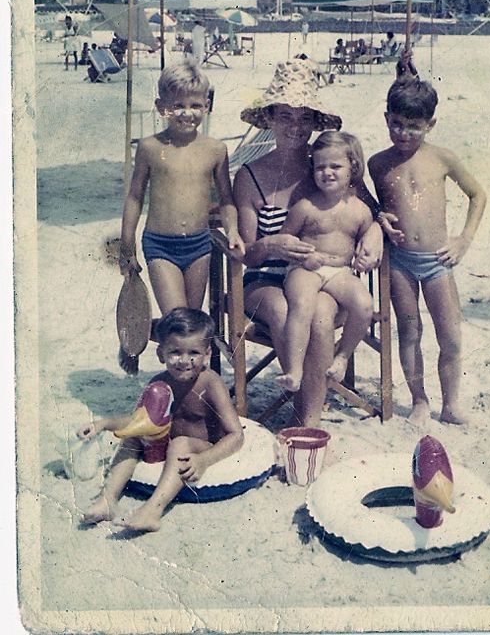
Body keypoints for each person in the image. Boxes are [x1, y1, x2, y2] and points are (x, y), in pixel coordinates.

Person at [233, 59, 382, 426]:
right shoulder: (251, 175)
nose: (295, 126)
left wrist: (375, 232)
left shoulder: (330, 168)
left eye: (304, 117)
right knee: (285, 309)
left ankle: (307, 420)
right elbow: (249, 255)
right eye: (285, 116)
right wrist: (272, 245)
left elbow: (371, 212)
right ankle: (306, 399)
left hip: (326, 277)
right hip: (265, 279)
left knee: (319, 312)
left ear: (316, 122)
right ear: (269, 118)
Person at [368, 80, 486, 426]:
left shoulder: (442, 158)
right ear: (386, 118)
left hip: (437, 261)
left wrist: (463, 239)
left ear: (430, 124)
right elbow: (364, 196)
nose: (403, 133)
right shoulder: (378, 163)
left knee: (450, 337)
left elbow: (478, 195)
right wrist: (378, 214)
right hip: (399, 262)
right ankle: (419, 400)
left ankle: (450, 404)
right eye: (396, 124)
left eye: (414, 127)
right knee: (409, 332)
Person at [119, 60, 244, 373]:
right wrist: (126, 245)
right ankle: (137, 340)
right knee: (178, 320)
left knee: (188, 322)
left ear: (207, 106)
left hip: (199, 244)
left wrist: (233, 231)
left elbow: (227, 200)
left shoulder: (216, 149)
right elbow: (134, 197)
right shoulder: (149, 147)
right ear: (161, 106)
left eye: (195, 105)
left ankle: (138, 332)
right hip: (160, 244)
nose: (187, 113)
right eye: (178, 106)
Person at [77, 309, 244, 533]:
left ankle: (153, 510)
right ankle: (108, 499)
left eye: (193, 353)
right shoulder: (159, 384)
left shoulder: (210, 383)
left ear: (207, 355)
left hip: (200, 447)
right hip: (167, 444)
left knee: (181, 443)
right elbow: (139, 421)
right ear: (160, 354)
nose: (184, 361)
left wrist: (204, 459)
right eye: (175, 352)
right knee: (134, 436)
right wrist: (103, 424)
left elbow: (236, 435)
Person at [278, 131, 374, 391]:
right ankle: (294, 369)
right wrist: (305, 255)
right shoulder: (306, 207)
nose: (327, 173)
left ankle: (342, 356)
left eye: (335, 166)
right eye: (320, 167)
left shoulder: (361, 211)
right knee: (302, 304)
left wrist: (366, 257)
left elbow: (369, 236)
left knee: (364, 305)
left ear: (353, 167)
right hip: (305, 268)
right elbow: (285, 239)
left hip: (340, 272)